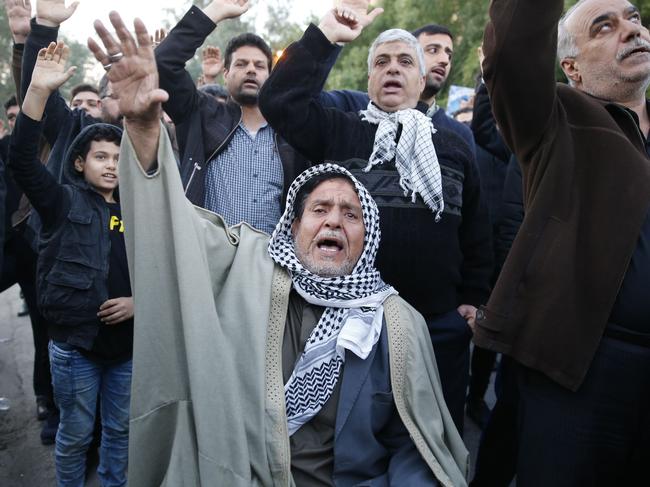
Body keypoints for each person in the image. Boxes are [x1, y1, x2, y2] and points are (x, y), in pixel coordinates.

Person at [88, 9, 469, 486]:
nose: (333, 219)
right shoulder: (250, 274)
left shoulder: (399, 324)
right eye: (319, 209)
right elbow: (175, 231)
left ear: (369, 232)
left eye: (351, 213)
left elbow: (413, 451)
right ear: (292, 222)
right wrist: (143, 127)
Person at [259, 5, 492, 433]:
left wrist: (473, 301)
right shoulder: (340, 131)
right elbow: (278, 100)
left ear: (421, 82)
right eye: (381, 61)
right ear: (368, 80)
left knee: (430, 442)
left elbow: (477, 230)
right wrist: (325, 37)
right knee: (353, 446)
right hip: (349, 323)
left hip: (436, 326)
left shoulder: (457, 147)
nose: (392, 69)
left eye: (405, 62)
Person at [474, 0, 650, 484]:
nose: (631, 31)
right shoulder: (554, 120)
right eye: (605, 26)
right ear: (570, 66)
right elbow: (512, 49)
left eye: (635, 18)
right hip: (578, 373)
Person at [10, 40, 134, 486]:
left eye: (119, 159)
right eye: (101, 157)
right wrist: (38, 93)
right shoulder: (60, 202)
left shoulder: (141, 212)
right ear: (80, 163)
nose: (111, 165)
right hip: (74, 349)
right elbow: (23, 161)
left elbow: (165, 273)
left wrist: (138, 302)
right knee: (76, 434)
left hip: (126, 351)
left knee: (119, 432)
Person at [154, 0, 308, 234]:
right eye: (241, 64)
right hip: (208, 255)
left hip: (271, 261)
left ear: (270, 75)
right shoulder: (201, 114)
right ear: (226, 74)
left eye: (259, 65)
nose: (251, 70)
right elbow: (164, 63)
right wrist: (215, 12)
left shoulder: (290, 135)